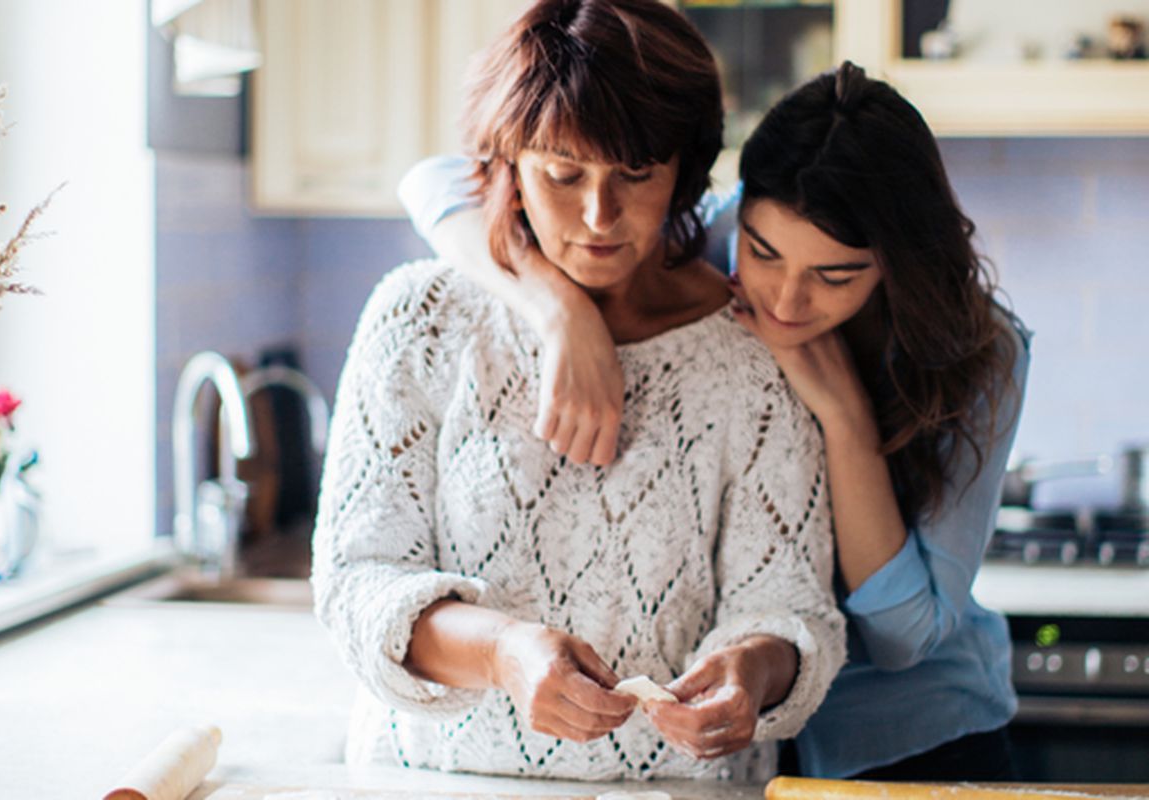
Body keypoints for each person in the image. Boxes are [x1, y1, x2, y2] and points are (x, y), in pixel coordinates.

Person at [398, 61, 1030, 781]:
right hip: (734, 752)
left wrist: (845, 420)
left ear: (894, 263)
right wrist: (559, 314)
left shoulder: (982, 351)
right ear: (740, 210)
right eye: (763, 254)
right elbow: (437, 183)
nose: (787, 300)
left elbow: (903, 637)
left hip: (908, 740)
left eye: (836, 275)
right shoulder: (707, 236)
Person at [311, 0, 846, 784]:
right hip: (432, 783)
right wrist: (501, 652)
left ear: (685, 172)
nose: (599, 216)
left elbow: (795, 607)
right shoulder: (421, 318)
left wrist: (753, 672)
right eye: (563, 174)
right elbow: (358, 582)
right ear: (508, 167)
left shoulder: (751, 352)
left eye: (637, 175)